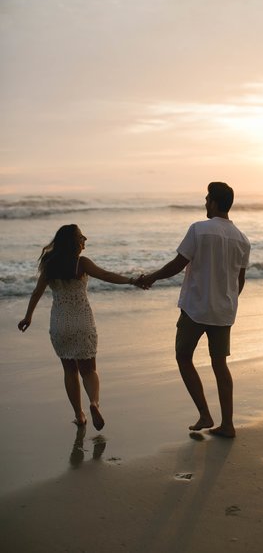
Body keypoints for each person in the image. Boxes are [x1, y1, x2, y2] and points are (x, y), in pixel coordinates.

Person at [139, 182, 250, 438]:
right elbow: (239, 280)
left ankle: (204, 413)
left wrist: (152, 277)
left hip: (196, 308)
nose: (205, 203)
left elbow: (179, 264)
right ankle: (228, 424)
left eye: (207, 199)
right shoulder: (242, 239)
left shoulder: (199, 230)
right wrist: (229, 300)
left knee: (183, 356)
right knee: (220, 364)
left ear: (213, 202)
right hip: (224, 311)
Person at [18, 224, 136, 431]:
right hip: (82, 321)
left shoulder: (49, 264)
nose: (85, 239)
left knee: (69, 370)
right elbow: (107, 276)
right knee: (89, 370)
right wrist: (132, 280)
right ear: (74, 241)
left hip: (59, 323)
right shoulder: (81, 263)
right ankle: (93, 403)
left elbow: (37, 292)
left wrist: (28, 316)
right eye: (82, 237)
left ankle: (79, 416)